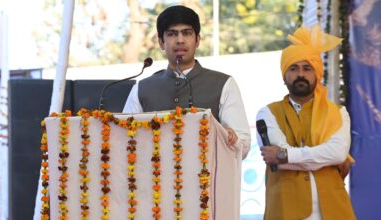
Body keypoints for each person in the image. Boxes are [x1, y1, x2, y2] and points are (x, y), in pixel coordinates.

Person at [123, 5, 250, 159]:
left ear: (197, 40)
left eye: (187, 33)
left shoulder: (223, 84)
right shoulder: (142, 89)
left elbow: (243, 145)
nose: (180, 40)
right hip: (155, 179)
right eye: (172, 34)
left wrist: (227, 138)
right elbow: (124, 140)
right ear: (161, 42)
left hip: (206, 180)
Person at [256, 26, 356, 220]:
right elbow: (275, 162)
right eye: (293, 68)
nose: (300, 74)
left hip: (334, 210)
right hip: (286, 209)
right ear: (284, 76)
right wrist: (322, 158)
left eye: (307, 68)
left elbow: (337, 153)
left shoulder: (338, 113)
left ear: (317, 74)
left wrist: (285, 155)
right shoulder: (267, 113)